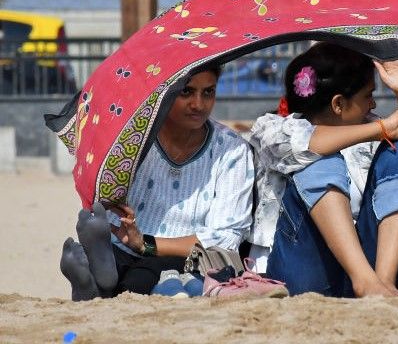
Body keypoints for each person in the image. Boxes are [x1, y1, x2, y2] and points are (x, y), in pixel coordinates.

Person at [247, 42, 398, 297]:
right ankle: (365, 282)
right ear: (339, 104)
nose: (373, 104)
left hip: (369, 270)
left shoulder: (372, 127)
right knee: (318, 159)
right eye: (368, 95)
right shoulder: (272, 129)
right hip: (298, 271)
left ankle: (383, 284)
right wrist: (381, 130)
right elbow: (310, 142)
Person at [59, 63, 256, 300]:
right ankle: (98, 274)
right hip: (123, 242)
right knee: (123, 264)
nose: (198, 104)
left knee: (139, 280)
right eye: (186, 92)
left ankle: (92, 285)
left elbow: (226, 236)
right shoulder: (132, 138)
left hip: (188, 253)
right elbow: (105, 188)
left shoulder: (232, 149)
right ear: (165, 90)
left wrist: (146, 244)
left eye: (208, 92)